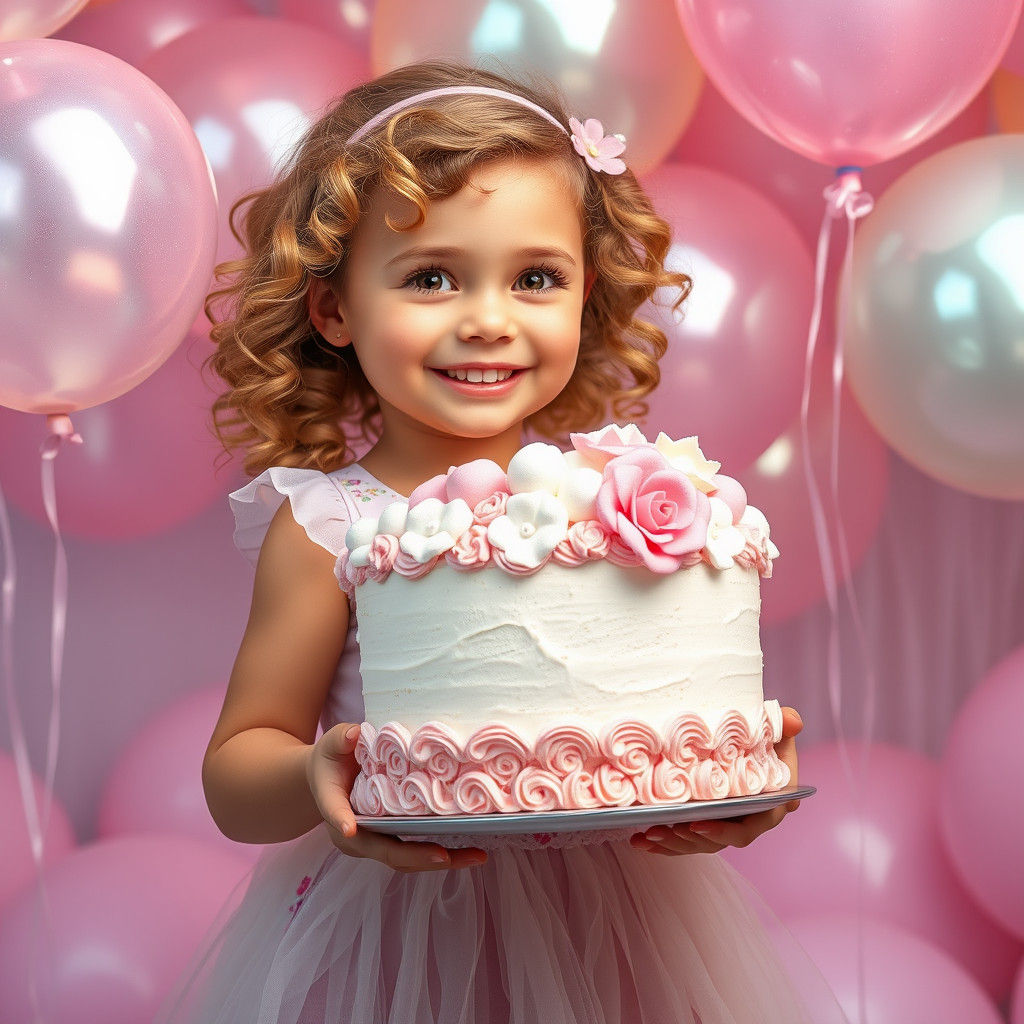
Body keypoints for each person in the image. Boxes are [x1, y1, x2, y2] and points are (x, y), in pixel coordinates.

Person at [159, 59, 836, 1024]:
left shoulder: (611, 499)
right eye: (431, 277)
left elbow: (644, 717)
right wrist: (317, 774)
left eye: (535, 278)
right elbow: (237, 772)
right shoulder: (327, 523)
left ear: (585, 294)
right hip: (397, 939)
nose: (488, 320)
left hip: (617, 929)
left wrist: (720, 786)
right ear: (335, 308)